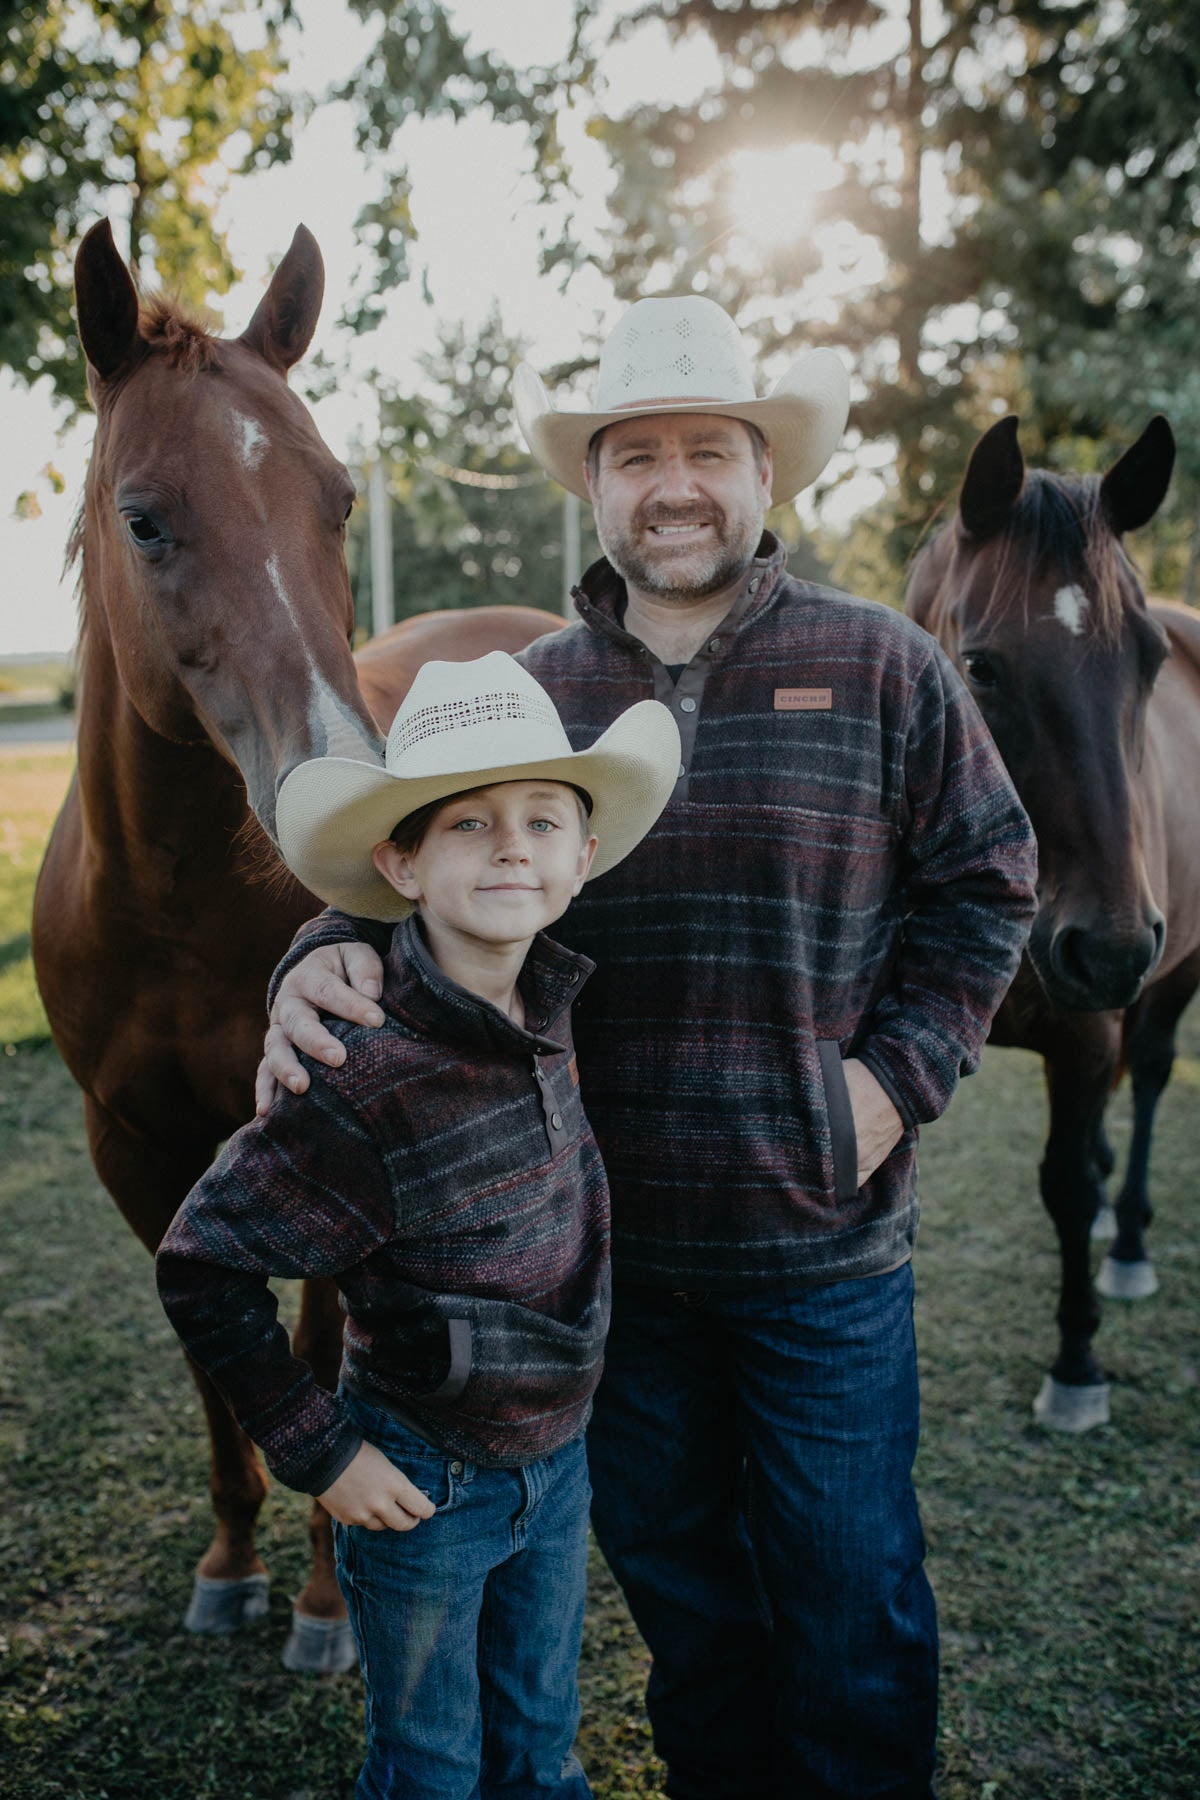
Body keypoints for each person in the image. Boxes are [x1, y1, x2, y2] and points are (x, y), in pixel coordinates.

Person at [257, 297, 1039, 1800]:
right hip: (601, 1280)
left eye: (706, 452)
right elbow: (396, 879)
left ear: (764, 477)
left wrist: (889, 1086)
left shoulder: (881, 666)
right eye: (636, 457)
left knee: (854, 1618)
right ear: (595, 486)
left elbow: (987, 883)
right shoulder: (533, 692)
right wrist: (313, 955)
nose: (672, 485)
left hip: (826, 1263)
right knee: (690, 1618)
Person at [156, 652, 681, 1800]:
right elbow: (203, 1266)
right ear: (400, 861)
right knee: (431, 1762)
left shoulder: (551, 997)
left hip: (557, 1456)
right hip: (423, 1482)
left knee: (540, 1737)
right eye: (470, 824)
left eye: (544, 821)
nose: (512, 848)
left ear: (580, 861)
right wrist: (321, 1450)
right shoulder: (357, 1069)